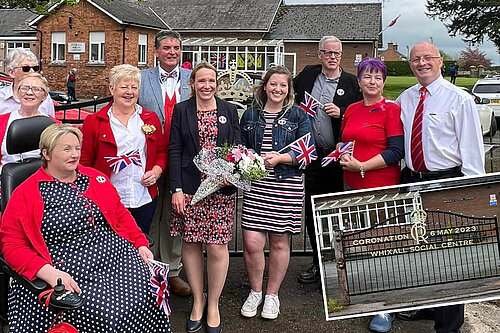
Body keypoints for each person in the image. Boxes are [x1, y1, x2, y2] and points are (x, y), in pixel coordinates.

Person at [0, 124, 171, 332]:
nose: (75, 154)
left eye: (77, 148)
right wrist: (48, 273)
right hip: (66, 266)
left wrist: (140, 243)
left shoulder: (94, 178)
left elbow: (120, 215)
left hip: (115, 258)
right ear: (46, 153)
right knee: (108, 313)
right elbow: (12, 246)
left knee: (151, 290)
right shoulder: (25, 192)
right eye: (66, 149)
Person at [396, 42, 484, 333]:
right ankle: (427, 305)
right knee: (418, 248)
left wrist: (473, 195)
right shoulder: (405, 99)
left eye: (427, 58)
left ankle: (449, 326)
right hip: (411, 181)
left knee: (449, 255)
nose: (422, 63)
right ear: (411, 64)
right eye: (416, 59)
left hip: (446, 181)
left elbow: (472, 150)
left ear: (440, 61)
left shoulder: (459, 99)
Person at [169, 62, 240, 333]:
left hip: (219, 189)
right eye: (201, 81)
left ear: (217, 84)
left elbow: (236, 147)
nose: (206, 86)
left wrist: (231, 173)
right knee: (191, 244)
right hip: (189, 188)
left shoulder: (229, 110)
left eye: (211, 81)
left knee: (216, 247)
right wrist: (175, 189)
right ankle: (198, 301)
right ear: (193, 83)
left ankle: (214, 304)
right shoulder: (181, 110)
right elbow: (174, 150)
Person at [239, 66, 311, 320]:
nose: (278, 89)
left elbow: (307, 153)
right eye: (273, 84)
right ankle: (255, 291)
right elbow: (241, 150)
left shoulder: (299, 116)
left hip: (286, 185)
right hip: (257, 186)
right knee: (251, 243)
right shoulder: (249, 116)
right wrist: (247, 160)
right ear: (265, 86)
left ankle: (272, 295)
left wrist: (281, 157)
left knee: (279, 241)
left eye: (283, 85)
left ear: (289, 89)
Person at [337, 58, 404, 332]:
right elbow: (347, 139)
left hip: (380, 188)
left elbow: (395, 152)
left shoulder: (391, 109)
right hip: (350, 186)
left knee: (382, 245)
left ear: (384, 81)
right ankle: (367, 296)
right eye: (367, 76)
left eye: (377, 77)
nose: (372, 82)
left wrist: (362, 166)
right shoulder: (351, 109)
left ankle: (386, 308)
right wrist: (342, 149)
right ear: (359, 81)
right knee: (358, 243)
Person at [293, 35, 363, 284]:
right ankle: (317, 262)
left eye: (337, 53)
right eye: (328, 53)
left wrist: (342, 113)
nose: (332, 57)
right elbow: (287, 95)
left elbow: (363, 116)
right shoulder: (308, 75)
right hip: (311, 155)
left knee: (338, 211)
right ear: (319, 54)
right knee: (312, 211)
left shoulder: (352, 83)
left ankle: (340, 265)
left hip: (339, 158)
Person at [80, 64, 166, 234]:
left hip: (143, 196)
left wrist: (156, 172)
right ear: (112, 89)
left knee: (141, 245)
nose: (129, 92)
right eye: (124, 87)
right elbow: (84, 163)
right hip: (108, 197)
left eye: (134, 87)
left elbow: (162, 152)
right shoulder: (94, 122)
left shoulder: (150, 118)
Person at [138, 29, 192, 296]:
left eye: (176, 48)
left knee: (175, 214)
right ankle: (146, 268)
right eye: (167, 48)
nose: (172, 52)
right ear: (156, 51)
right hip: (150, 158)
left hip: (183, 157)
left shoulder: (191, 79)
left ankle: (172, 271)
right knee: (149, 212)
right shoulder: (141, 78)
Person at [0, 73, 59, 173]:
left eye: (36, 89)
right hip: (5, 180)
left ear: (44, 96)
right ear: (18, 93)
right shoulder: (2, 121)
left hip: (41, 180)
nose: (29, 92)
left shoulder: (54, 125)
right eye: (24, 88)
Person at [0, 48, 55, 116]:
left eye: (35, 68)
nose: (32, 72)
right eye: (26, 68)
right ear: (11, 72)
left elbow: (52, 124)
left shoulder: (44, 96)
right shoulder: (1, 97)